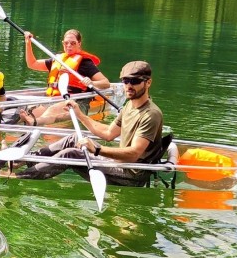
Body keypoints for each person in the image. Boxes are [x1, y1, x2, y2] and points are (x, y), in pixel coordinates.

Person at [16, 60, 166, 187]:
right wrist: (79, 115)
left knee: (72, 154)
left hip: (132, 173)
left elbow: (133, 155)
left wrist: (97, 150)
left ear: (148, 83)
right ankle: (24, 161)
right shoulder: (129, 106)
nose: (128, 86)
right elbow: (108, 133)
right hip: (120, 163)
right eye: (125, 81)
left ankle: (16, 176)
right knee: (73, 138)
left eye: (134, 81)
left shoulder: (151, 114)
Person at [18, 29, 111, 125]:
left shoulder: (85, 63)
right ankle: (26, 123)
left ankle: (33, 122)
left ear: (79, 44)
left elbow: (106, 83)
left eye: (73, 43)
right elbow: (32, 64)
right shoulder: (58, 60)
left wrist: (92, 83)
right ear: (63, 43)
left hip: (76, 102)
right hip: (53, 99)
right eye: (66, 43)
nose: (69, 46)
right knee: (32, 112)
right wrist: (28, 43)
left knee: (52, 110)